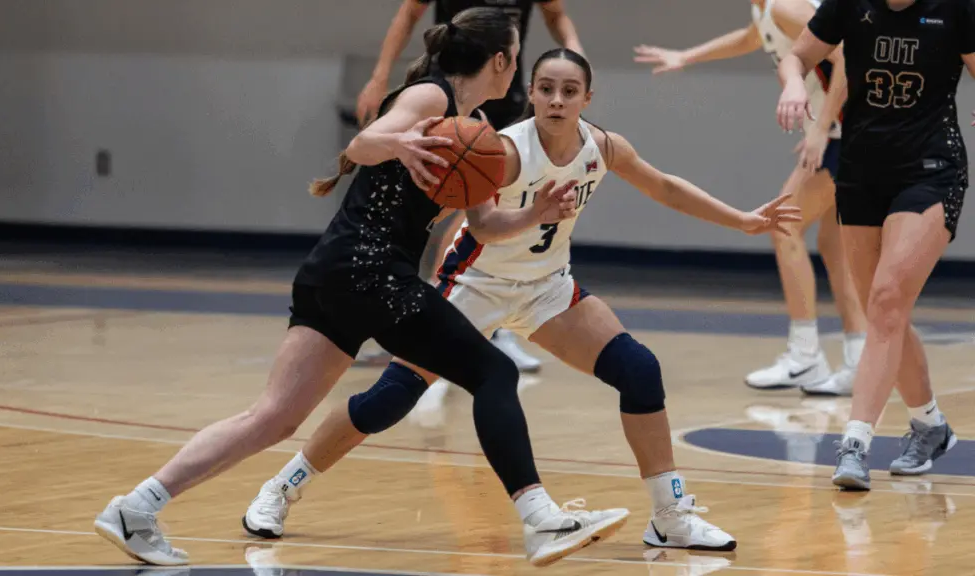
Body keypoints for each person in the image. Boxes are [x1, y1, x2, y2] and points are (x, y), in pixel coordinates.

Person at [92, 9, 630, 567]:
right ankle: (540, 519)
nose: (514, 70)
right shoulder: (430, 98)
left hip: (333, 272)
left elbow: (486, 225)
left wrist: (535, 212)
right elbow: (362, 143)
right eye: (516, 59)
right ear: (501, 61)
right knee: (494, 371)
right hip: (369, 269)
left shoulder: (479, 135)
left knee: (273, 418)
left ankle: (137, 506)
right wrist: (399, 144)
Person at [241, 47, 804, 553]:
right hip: (472, 287)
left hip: (548, 288)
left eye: (569, 90)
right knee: (389, 401)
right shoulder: (501, 151)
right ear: (530, 93)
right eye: (546, 89)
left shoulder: (602, 146)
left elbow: (664, 186)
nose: (557, 100)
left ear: (588, 97)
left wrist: (743, 221)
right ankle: (283, 486)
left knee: (639, 370)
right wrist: (535, 213)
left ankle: (671, 517)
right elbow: (481, 229)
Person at [776, 0, 975, 489]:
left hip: (930, 169)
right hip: (862, 171)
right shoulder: (849, 4)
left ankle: (854, 445)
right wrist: (794, 83)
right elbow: (796, 56)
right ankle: (930, 425)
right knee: (884, 309)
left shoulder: (955, 8)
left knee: (886, 300)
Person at [633, 0, 867, 397]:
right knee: (834, 246)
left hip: (848, 132)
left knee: (784, 225)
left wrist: (820, 129)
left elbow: (849, 54)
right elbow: (750, 37)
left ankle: (805, 354)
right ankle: (860, 362)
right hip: (851, 132)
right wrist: (686, 56)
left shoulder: (786, 7)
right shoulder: (767, 10)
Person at [355, 0, 584, 373]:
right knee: (426, 204)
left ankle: (466, 321)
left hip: (498, 94)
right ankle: (416, 317)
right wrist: (379, 77)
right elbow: (408, 14)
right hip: (451, 84)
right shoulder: (430, 95)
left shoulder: (506, 72)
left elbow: (557, 15)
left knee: (482, 205)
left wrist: (576, 60)